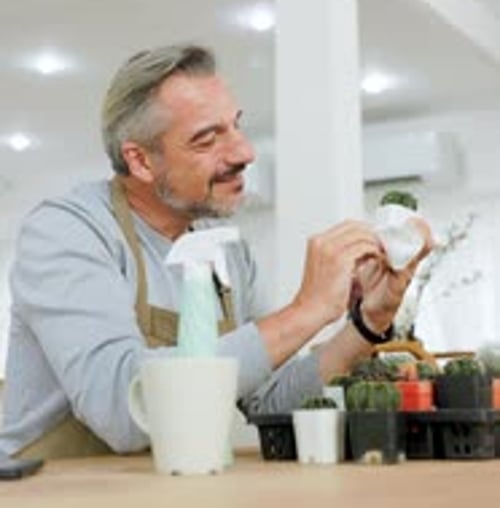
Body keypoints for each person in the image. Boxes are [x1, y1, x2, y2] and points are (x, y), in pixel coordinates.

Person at [0, 45, 431, 458]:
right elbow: (122, 410)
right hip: (53, 490)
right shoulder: (68, 231)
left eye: (236, 126)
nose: (244, 153)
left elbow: (269, 400)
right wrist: (305, 311)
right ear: (141, 161)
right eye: (208, 139)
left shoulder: (225, 247)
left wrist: (368, 321)